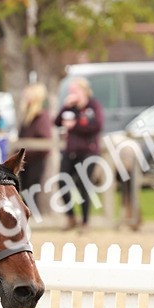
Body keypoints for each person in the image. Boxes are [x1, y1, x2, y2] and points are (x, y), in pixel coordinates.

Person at [54, 76, 104, 229]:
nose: (71, 93)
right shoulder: (70, 107)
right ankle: (71, 218)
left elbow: (96, 126)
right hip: (70, 152)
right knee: (62, 182)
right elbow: (56, 122)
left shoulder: (93, 106)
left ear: (83, 90)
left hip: (88, 153)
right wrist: (64, 106)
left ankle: (85, 221)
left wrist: (74, 126)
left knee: (83, 185)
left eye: (74, 90)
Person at [16, 82, 53, 205]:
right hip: (26, 160)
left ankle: (33, 218)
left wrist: (28, 151)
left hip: (36, 160)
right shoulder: (27, 116)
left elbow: (44, 140)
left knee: (32, 191)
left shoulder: (42, 116)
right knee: (25, 191)